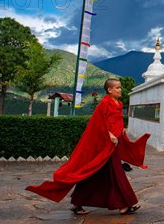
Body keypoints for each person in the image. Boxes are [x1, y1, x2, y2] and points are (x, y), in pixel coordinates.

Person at [26, 78, 150, 216]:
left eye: (120, 87)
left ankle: (78, 203)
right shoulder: (104, 103)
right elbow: (98, 123)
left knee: (94, 174)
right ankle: (124, 205)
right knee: (117, 174)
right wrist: (109, 134)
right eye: (117, 88)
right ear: (109, 90)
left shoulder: (119, 103)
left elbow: (115, 121)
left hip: (114, 144)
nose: (120, 90)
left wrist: (121, 130)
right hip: (105, 144)